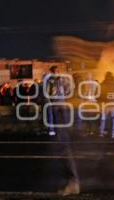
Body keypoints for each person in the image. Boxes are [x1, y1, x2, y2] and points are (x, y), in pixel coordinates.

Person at [43, 66, 80, 196]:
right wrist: (49, 99)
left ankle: (72, 183)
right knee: (57, 121)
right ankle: (72, 182)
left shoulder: (61, 80)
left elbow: (68, 88)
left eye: (57, 71)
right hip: (56, 102)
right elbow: (48, 91)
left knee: (63, 130)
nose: (56, 73)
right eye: (55, 71)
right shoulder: (51, 81)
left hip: (61, 102)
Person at [99, 72, 114, 139]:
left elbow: (98, 94)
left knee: (103, 119)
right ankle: (113, 134)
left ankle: (101, 132)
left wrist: (100, 100)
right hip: (113, 104)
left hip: (105, 104)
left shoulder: (103, 84)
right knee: (113, 119)